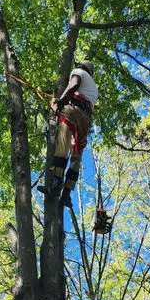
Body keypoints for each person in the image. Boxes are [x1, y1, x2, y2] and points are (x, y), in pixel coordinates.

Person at [40, 60, 98, 209]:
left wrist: (59, 103)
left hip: (73, 111)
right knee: (76, 156)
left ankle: (56, 183)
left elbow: (73, 85)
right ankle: (66, 193)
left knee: (63, 144)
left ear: (82, 67)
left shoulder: (79, 73)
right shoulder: (93, 88)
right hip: (85, 120)